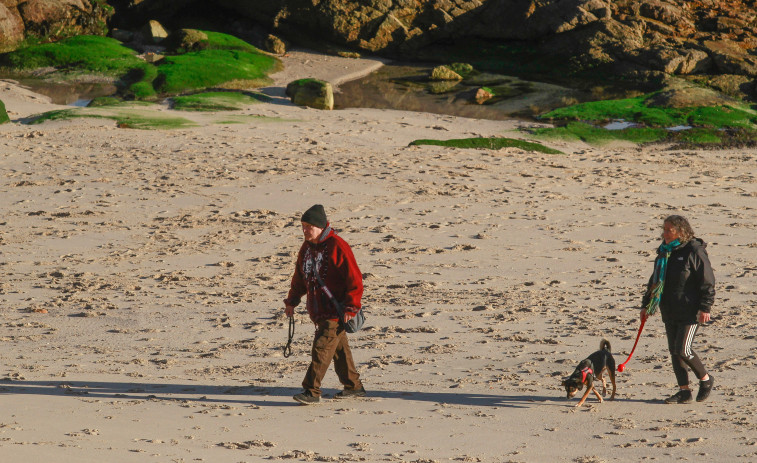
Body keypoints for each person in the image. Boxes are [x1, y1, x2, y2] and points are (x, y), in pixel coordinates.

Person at [284, 204, 366, 405]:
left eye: (308, 226)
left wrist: (351, 307)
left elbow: (354, 280)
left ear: (320, 227)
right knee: (339, 351)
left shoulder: (338, 246)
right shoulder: (306, 248)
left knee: (321, 349)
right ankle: (353, 386)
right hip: (319, 312)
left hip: (335, 312)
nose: (304, 230)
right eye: (302, 226)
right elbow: (299, 278)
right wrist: (292, 301)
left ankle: (311, 391)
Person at [640, 215, 715, 404]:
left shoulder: (694, 251)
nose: (664, 233)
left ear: (680, 232)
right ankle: (684, 391)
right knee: (674, 351)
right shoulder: (664, 252)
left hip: (690, 311)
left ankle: (705, 379)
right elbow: (654, 281)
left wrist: (705, 307)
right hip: (669, 309)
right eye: (664, 229)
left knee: (683, 349)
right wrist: (646, 304)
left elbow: (707, 281)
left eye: (668, 230)